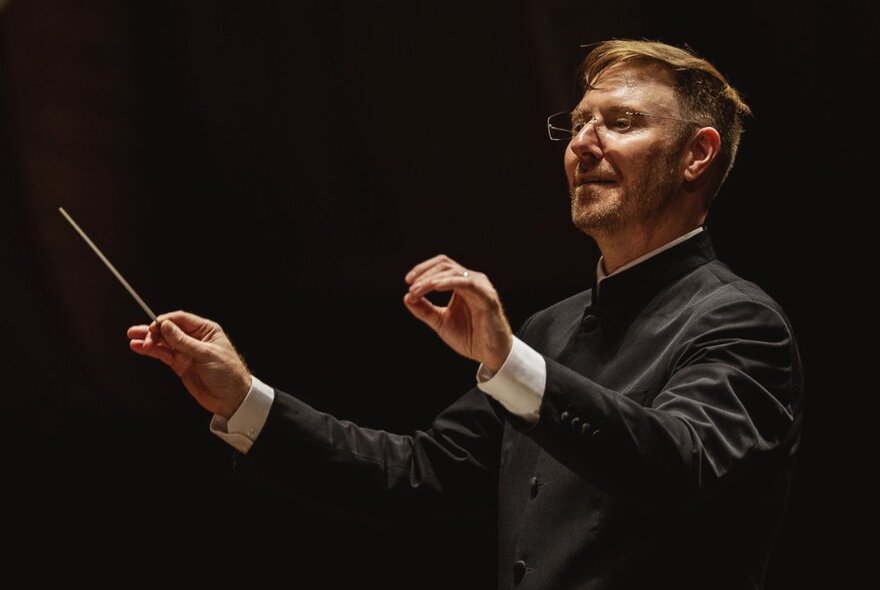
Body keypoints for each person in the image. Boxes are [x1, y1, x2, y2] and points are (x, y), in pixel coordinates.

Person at [128, 39, 803, 589]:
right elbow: (416, 478)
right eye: (577, 125)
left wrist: (511, 364)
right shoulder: (551, 331)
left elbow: (673, 465)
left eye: (620, 124)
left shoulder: (740, 323)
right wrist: (243, 397)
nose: (582, 145)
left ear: (697, 154)